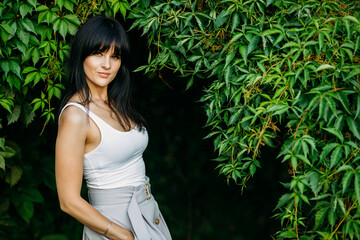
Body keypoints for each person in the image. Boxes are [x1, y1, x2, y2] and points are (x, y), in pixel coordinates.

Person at [55, 16, 172, 240]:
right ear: (82, 55)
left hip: (146, 212)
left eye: (115, 56)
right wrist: (121, 234)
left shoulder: (117, 103)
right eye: (98, 53)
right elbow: (68, 201)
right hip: (113, 223)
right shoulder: (76, 116)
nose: (107, 65)